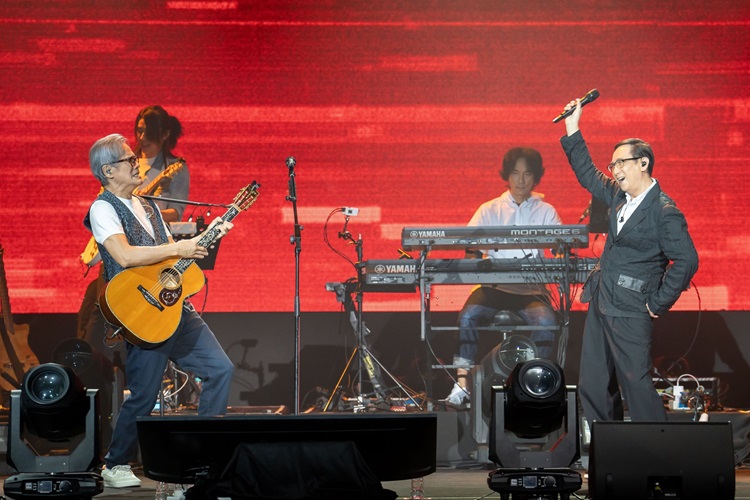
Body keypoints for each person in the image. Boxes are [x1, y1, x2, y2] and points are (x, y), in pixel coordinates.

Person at [85, 133, 234, 488]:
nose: (137, 162)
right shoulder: (103, 208)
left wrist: (202, 243)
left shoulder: (149, 206)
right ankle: (114, 464)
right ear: (108, 171)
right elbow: (124, 255)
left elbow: (168, 259)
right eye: (128, 159)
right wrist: (181, 248)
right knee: (144, 396)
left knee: (220, 369)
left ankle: (204, 461)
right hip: (141, 313)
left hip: (174, 306)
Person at [559, 98, 698, 423]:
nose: (616, 170)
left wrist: (658, 303)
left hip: (632, 308)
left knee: (635, 385)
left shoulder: (664, 211)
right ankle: (604, 448)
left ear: (644, 163)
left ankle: (656, 448)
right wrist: (572, 126)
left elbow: (687, 260)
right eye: (613, 165)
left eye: (622, 163)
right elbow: (587, 174)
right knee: (593, 385)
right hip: (602, 299)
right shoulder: (619, 196)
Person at [444, 147, 562, 406]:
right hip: (494, 287)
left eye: (527, 174)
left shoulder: (547, 211)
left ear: (536, 177)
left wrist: (562, 253)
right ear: (507, 176)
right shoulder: (489, 209)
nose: (521, 180)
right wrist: (475, 263)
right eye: (515, 173)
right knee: (468, 316)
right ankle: (462, 384)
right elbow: (471, 249)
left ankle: (532, 383)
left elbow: (560, 248)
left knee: (547, 322)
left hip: (531, 290)